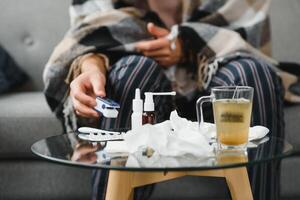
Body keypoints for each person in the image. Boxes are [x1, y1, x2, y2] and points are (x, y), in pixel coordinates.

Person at [43, 0, 286, 199]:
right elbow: (89, 38)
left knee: (253, 76)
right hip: (143, 82)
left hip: (212, 82)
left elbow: (244, 41)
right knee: (134, 75)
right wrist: (91, 65)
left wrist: (188, 44)